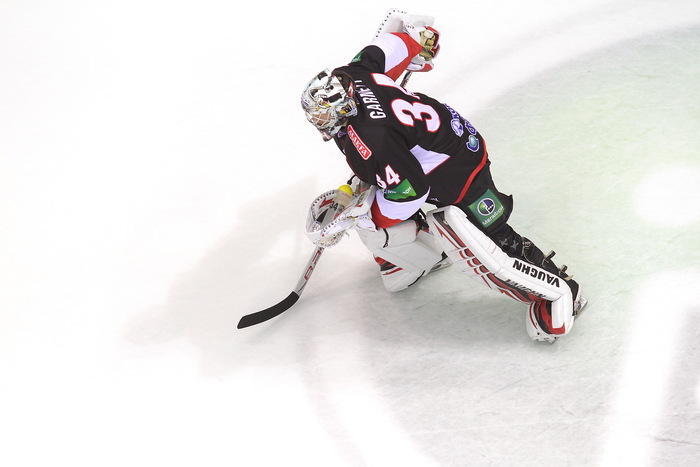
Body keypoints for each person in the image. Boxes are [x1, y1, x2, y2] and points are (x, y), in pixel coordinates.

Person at [300, 12, 587, 342]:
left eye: (322, 116)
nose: (319, 122)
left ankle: (562, 293)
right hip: (447, 135)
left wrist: (361, 216)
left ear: (343, 107)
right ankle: (409, 261)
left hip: (457, 171)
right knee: (368, 197)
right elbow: (383, 48)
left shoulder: (373, 139)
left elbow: (411, 192)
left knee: (482, 247)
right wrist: (415, 41)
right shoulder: (348, 75)